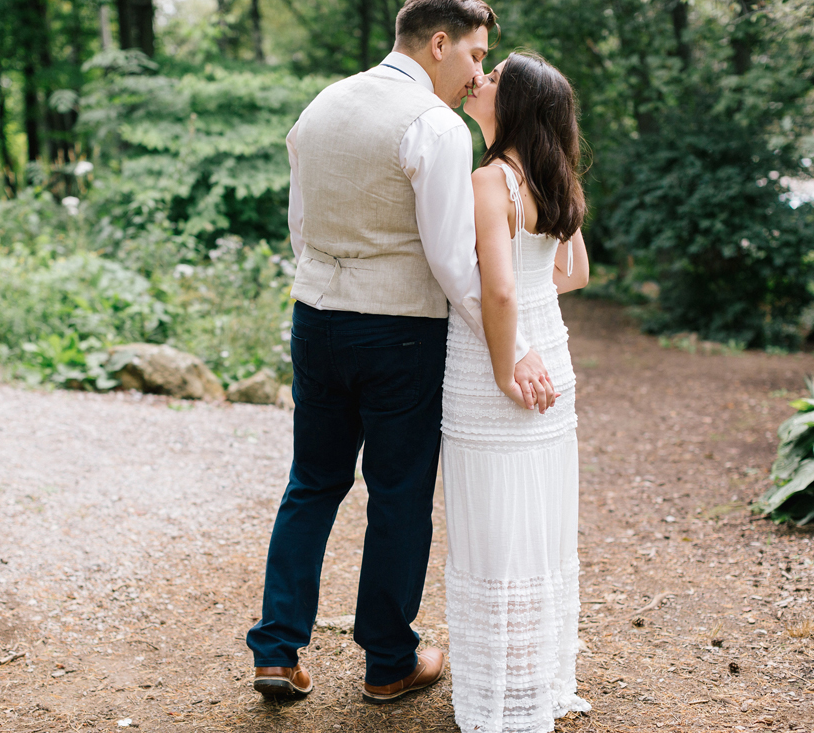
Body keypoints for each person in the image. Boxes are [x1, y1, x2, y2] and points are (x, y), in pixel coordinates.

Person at [245, 0, 557, 705]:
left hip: (315, 317)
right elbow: (452, 262)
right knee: (398, 495)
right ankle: (388, 659)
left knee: (313, 482)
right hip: (401, 331)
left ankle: (276, 647)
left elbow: (302, 225)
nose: (478, 71)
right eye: (476, 56)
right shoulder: (436, 127)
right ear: (440, 43)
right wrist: (512, 348)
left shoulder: (324, 103)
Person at [441, 51, 592, 733]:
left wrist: (506, 357)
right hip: (550, 354)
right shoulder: (551, 177)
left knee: (495, 525)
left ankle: (502, 693)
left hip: (495, 365)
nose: (481, 80)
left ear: (516, 106)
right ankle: (533, 673)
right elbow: (575, 273)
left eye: (495, 77)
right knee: (535, 519)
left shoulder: (489, 180)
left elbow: (498, 289)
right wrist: (531, 318)